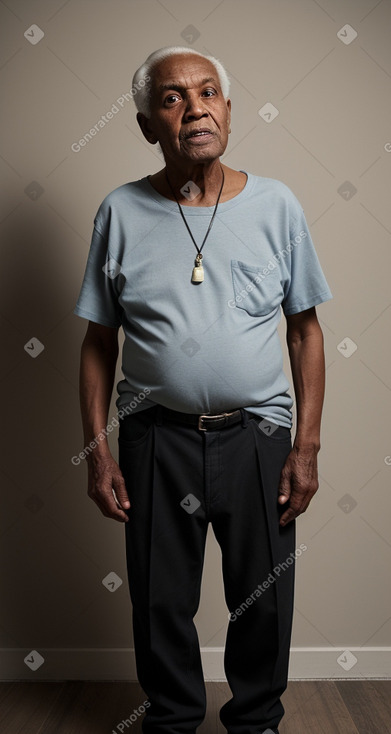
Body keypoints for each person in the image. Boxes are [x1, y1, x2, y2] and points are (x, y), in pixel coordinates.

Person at [74, 46, 332, 734]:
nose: (195, 108)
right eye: (172, 98)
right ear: (145, 124)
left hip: (258, 437)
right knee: (160, 602)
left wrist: (304, 447)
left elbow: (304, 332)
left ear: (226, 108)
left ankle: (256, 724)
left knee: (261, 600)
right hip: (154, 438)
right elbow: (99, 341)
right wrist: (98, 454)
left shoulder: (276, 205)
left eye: (209, 92)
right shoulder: (120, 212)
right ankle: (172, 719)